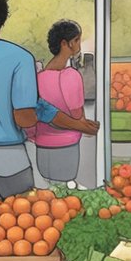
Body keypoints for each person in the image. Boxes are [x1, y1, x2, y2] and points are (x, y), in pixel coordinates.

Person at [0, 0, 99, 198]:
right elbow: (24, 118)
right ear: (4, 19)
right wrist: (54, 117)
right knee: (20, 218)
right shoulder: (21, 57)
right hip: (6, 158)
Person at [30, 20, 88, 186]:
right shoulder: (71, 76)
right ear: (65, 43)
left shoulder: (37, 78)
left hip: (42, 147)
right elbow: (77, 115)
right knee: (65, 195)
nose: (78, 44)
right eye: (76, 40)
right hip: (66, 147)